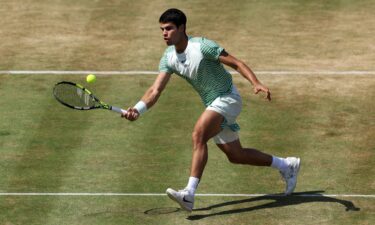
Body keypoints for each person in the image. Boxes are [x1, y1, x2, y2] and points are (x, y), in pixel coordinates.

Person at [122, 8, 300, 212]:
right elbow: (155, 90)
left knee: (198, 135)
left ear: (182, 28)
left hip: (228, 98)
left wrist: (256, 82)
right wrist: (137, 109)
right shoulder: (169, 57)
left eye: (169, 29)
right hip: (212, 103)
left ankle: (189, 194)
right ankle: (287, 165)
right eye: (162, 29)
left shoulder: (203, 46)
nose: (164, 33)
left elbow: (236, 63)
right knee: (236, 155)